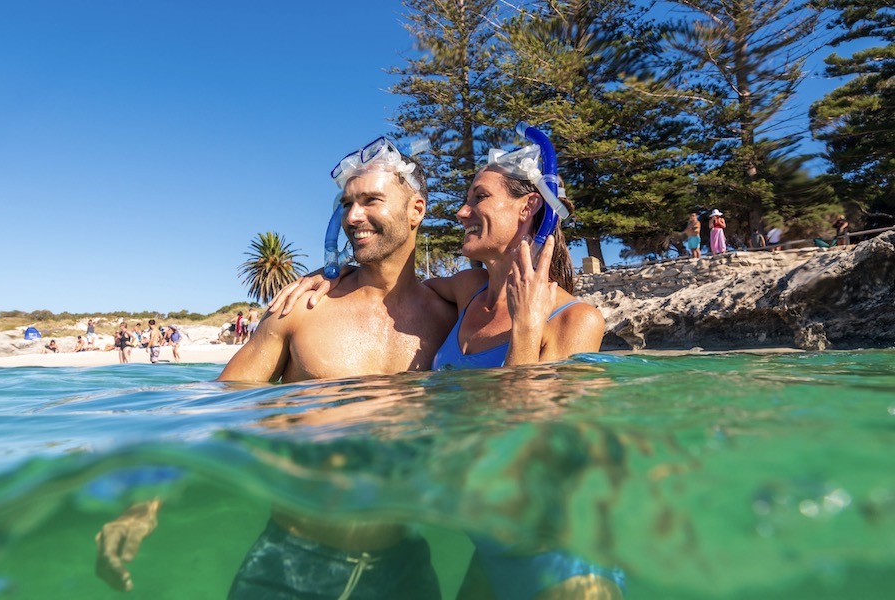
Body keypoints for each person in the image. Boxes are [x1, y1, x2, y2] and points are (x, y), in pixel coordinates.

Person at [95, 137, 455, 598]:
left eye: (370, 201)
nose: (352, 216)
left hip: (404, 567)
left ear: (416, 210)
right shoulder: (302, 308)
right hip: (293, 562)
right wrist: (142, 504)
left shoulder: (450, 316)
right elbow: (214, 407)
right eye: (346, 203)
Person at [273, 140, 619, 599]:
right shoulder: (466, 290)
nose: (461, 212)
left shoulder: (576, 320)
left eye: (479, 198)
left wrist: (524, 334)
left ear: (528, 206)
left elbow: (527, 455)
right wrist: (329, 272)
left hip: (559, 551)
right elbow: (389, 280)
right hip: (490, 538)